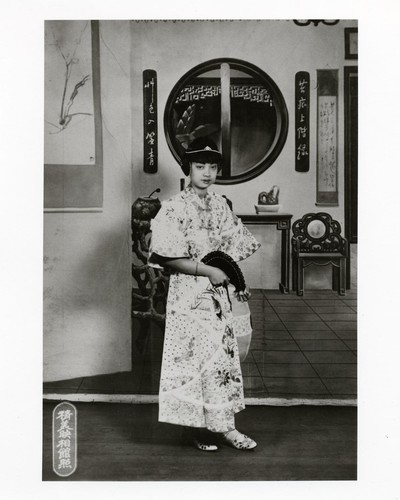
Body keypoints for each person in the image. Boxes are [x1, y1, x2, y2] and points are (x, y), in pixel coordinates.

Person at [148, 137, 261, 451]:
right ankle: (194, 429)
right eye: (200, 166)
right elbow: (166, 256)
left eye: (213, 166)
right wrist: (207, 270)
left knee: (221, 360)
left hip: (217, 293)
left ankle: (225, 426)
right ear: (189, 168)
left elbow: (231, 251)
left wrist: (235, 281)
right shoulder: (173, 207)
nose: (207, 172)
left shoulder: (220, 205)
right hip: (187, 292)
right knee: (192, 360)